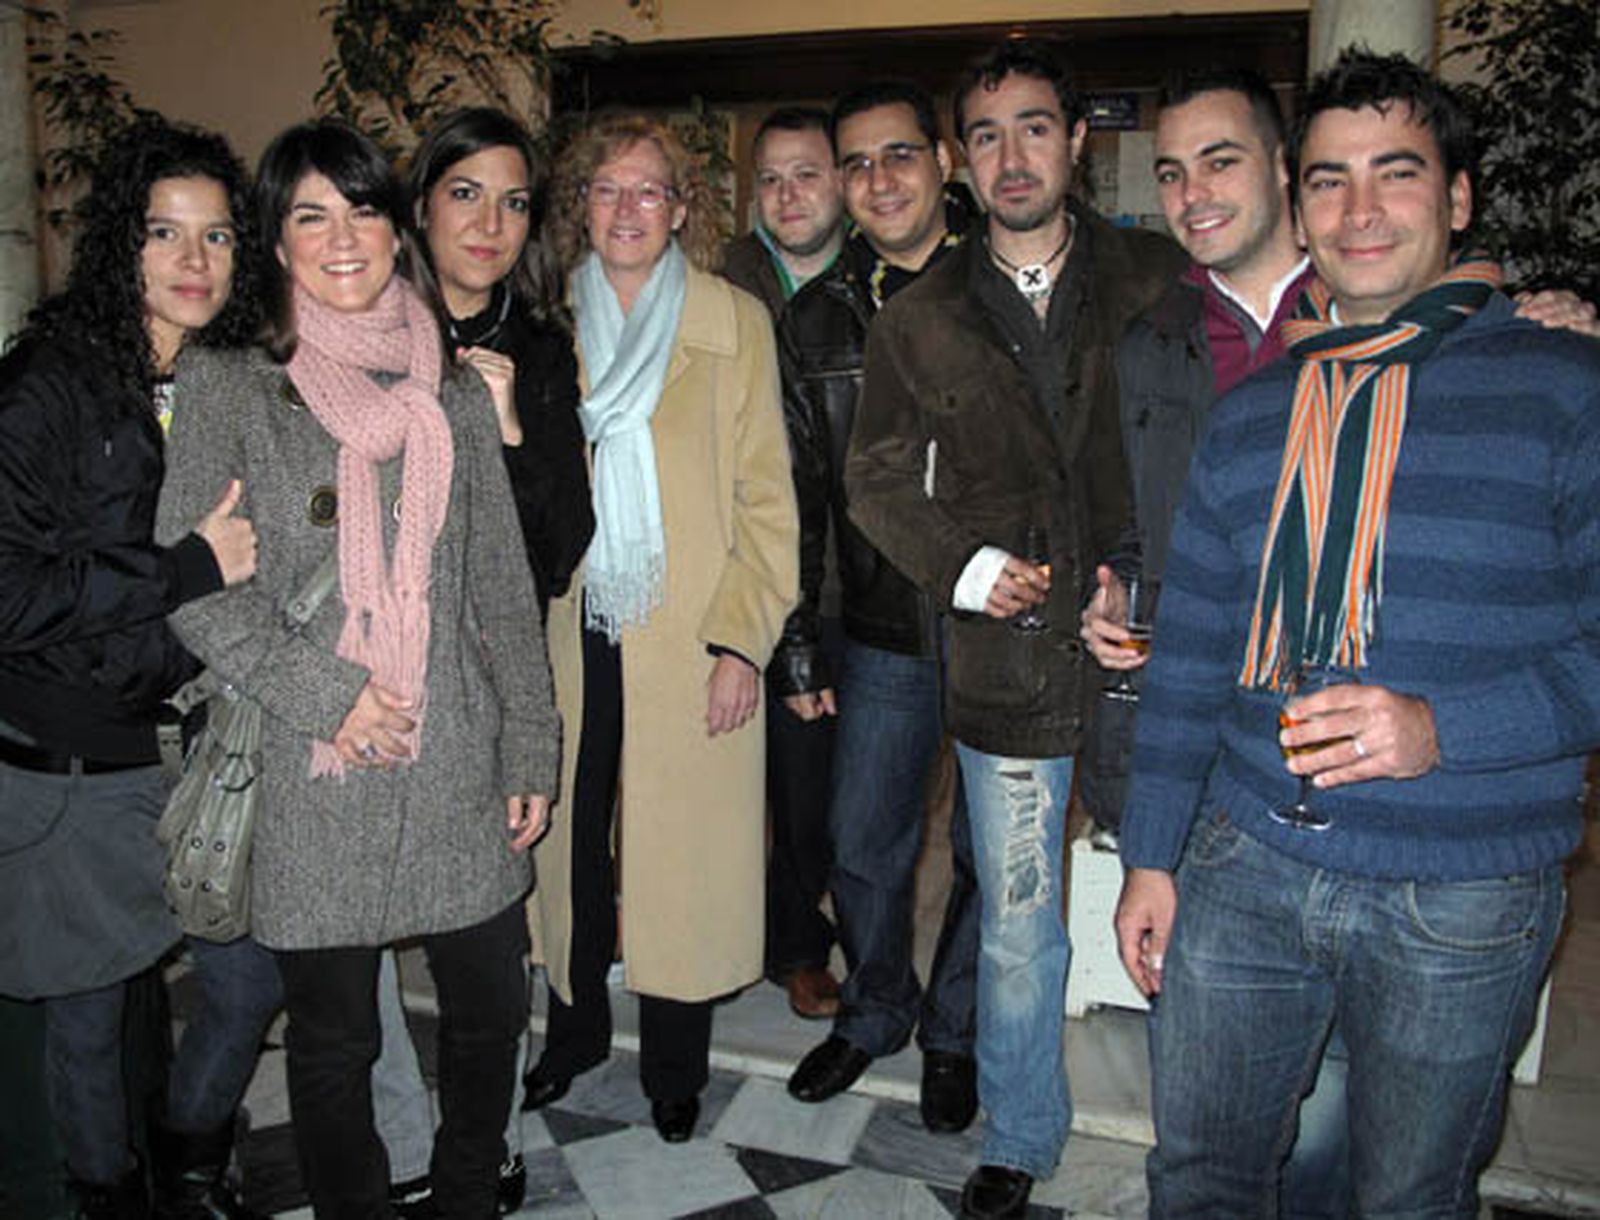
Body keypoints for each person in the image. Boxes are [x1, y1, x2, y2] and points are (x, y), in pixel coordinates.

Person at [1080, 66, 1600, 1217]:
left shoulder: (1563, 390)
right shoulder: (1255, 413)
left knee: (1406, 1196)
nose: (1358, 210)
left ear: (1457, 198)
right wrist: (1151, 854)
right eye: (1329, 180)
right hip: (1244, 861)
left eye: (1394, 175)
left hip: (1460, 890)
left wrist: (1441, 729)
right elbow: (1194, 650)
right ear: (1298, 202)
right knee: (1200, 1173)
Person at [156, 118, 557, 1220]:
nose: (342, 239)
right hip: (312, 761)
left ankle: (467, 1194)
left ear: (395, 227)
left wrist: (530, 743)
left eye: (363, 210)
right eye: (310, 215)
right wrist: (333, 697)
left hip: (452, 750)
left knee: (487, 1012)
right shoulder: (230, 383)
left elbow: (500, 586)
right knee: (335, 1041)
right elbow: (194, 587)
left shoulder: (455, 390)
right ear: (276, 239)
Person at [844, 42, 1186, 1218]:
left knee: (1185, 905)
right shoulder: (920, 316)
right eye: (985, 135)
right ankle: (1023, 1130)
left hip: (1150, 654)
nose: (1011, 156)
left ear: (1077, 139)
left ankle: (1209, 1140)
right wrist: (968, 566)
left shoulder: (1156, 277)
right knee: (1017, 924)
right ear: (958, 157)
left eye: (1035, 126)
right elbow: (875, 477)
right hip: (1008, 659)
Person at [0, 115, 280, 1220]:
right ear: (123, 242)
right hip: (71, 763)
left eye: (217, 236)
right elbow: (8, 593)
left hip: (195, 752)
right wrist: (181, 568)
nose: (194, 260)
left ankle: (189, 1162)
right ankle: (111, 1197)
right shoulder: (45, 385)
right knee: (87, 1015)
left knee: (249, 978)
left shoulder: (223, 382)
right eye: (166, 232)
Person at [522, 115, 798, 1144]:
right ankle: (574, 1028)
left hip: (691, 629)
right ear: (581, 207)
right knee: (569, 834)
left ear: (682, 210)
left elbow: (767, 499)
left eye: (649, 190)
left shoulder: (734, 322)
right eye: (607, 189)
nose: (627, 208)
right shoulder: (546, 325)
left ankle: (675, 1062)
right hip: (574, 617)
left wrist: (741, 642)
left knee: (682, 848)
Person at [367, 104, 595, 1219]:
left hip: (483, 678)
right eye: (466, 194)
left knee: (486, 934)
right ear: (421, 205)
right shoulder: (354, 330)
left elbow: (559, 547)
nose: (489, 224)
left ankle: (487, 1141)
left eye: (512, 202)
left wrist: (505, 430)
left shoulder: (538, 352)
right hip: (369, 674)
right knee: (354, 931)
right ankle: (400, 1136)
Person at [783, 80, 986, 1137]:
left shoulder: (1008, 288)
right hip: (878, 623)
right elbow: (799, 494)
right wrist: (799, 641)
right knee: (862, 839)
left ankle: (956, 1031)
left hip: (1003, 621)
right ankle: (875, 1009)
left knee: (992, 853)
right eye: (855, 163)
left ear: (943, 162)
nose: (879, 179)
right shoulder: (816, 318)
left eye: (899, 154)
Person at [720, 106, 846, 1019]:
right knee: (754, 781)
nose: (788, 195)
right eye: (770, 179)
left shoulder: (879, 283)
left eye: (807, 174)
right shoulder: (723, 287)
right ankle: (775, 939)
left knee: (825, 785)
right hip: (744, 568)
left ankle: (800, 932)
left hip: (852, 575)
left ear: (840, 180)